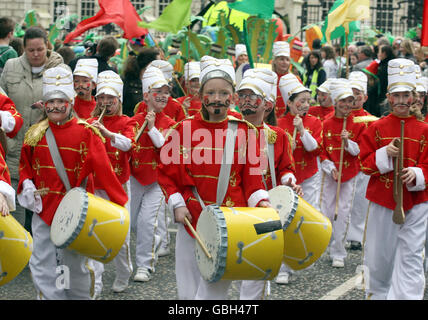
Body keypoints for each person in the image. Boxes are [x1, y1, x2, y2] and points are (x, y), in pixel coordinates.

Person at [158, 55, 270, 300]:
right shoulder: (181, 130)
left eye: (223, 92)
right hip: (190, 219)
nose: (217, 99)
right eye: (211, 92)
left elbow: (253, 181)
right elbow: (166, 174)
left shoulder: (246, 132)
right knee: (187, 291)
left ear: (233, 96)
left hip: (230, 225)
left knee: (214, 289)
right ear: (201, 94)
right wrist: (176, 203)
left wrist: (261, 202)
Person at [17, 66, 128, 300]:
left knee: (73, 267)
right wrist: (27, 185)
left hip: (75, 213)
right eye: (50, 101)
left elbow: (104, 173)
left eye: (61, 101)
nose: (55, 106)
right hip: (44, 209)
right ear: (44, 104)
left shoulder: (86, 132)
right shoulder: (35, 133)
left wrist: (119, 206)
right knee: (43, 264)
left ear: (70, 102)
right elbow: (25, 167)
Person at [360, 58, 428, 300]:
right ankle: (377, 293)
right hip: (383, 201)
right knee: (380, 254)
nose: (401, 101)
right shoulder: (376, 128)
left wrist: (418, 173)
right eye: (396, 95)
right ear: (389, 97)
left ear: (414, 98)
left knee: (411, 254)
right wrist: (383, 155)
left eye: (406, 95)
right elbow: (364, 164)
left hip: (417, 200)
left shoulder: (424, 130)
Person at [238, 68, 302, 290]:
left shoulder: (278, 136)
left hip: (265, 208)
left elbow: (285, 168)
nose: (246, 101)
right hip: (235, 207)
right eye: (243, 95)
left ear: (267, 105)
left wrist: (288, 181)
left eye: (252, 96)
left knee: (256, 273)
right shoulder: (228, 132)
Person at [0, 26, 64, 233]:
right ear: (23, 49)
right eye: (30, 50)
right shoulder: (11, 66)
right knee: (13, 200)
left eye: (40, 49)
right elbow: (3, 101)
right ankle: (19, 251)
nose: (36, 54)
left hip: (45, 148)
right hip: (13, 146)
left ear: (47, 46)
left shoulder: (58, 70)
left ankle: (43, 253)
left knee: (42, 200)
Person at [86, 70, 136, 295]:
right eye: (102, 98)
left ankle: (124, 272)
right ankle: (94, 282)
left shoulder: (127, 121)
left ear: (119, 100)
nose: (106, 103)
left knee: (120, 237)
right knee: (93, 233)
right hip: (95, 187)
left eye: (111, 99)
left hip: (119, 186)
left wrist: (106, 132)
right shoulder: (90, 121)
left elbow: (129, 144)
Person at [129, 67, 176, 283]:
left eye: (167, 91)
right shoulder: (134, 119)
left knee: (147, 222)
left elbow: (165, 146)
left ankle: (144, 266)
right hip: (135, 177)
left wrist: (151, 128)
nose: (164, 96)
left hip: (157, 181)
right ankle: (154, 242)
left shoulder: (169, 124)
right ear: (146, 95)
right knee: (133, 223)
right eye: (159, 91)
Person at [319, 78, 366, 268]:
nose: (347, 105)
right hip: (332, 173)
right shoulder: (326, 122)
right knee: (328, 211)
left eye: (350, 101)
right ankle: (326, 244)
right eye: (343, 101)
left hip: (350, 173)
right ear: (336, 101)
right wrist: (330, 168)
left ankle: (339, 250)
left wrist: (347, 142)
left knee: (344, 212)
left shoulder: (358, 123)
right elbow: (322, 150)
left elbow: (359, 151)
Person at [345, 71, 373, 251]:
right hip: (339, 166)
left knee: (358, 202)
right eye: (351, 92)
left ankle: (356, 236)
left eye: (358, 93)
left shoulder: (370, 120)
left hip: (360, 167)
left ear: (365, 97)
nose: (354, 97)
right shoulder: (339, 116)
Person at [122, 47, 160, 117]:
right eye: (157, 62)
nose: (160, 66)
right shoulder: (127, 82)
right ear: (148, 64)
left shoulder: (159, 85)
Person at [272, 41, 292, 118]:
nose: (285, 62)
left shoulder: (295, 80)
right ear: (275, 61)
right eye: (281, 59)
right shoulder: (269, 79)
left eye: (287, 59)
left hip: (289, 120)